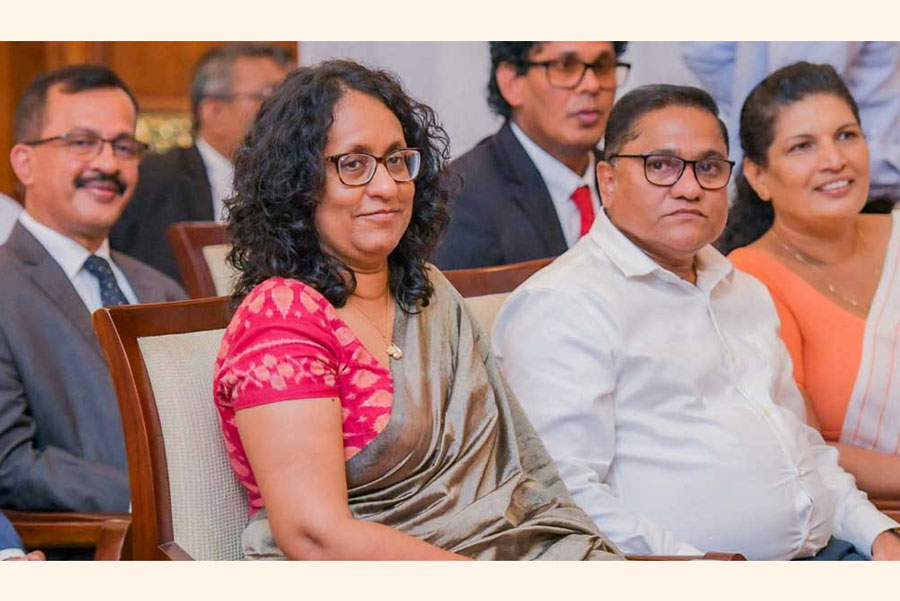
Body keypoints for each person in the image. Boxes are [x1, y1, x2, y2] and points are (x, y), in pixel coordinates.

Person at [213, 60, 621, 561]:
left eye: (396, 160)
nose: (386, 186)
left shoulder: (426, 293)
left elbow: (513, 488)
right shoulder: (281, 320)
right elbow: (314, 535)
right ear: (296, 184)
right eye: (353, 164)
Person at [492, 83, 900, 560]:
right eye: (660, 166)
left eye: (707, 168)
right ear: (608, 180)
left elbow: (803, 447)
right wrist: (696, 569)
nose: (689, 188)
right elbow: (560, 494)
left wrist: (877, 537)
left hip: (835, 548)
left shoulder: (741, 289)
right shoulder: (563, 304)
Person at [0, 65, 186, 513]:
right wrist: (154, 500)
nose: (107, 164)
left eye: (124, 146)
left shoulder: (163, 291)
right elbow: (9, 464)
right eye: (81, 143)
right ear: (24, 162)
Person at [723, 62, 900, 500]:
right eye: (803, 146)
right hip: (865, 525)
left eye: (846, 135)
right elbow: (801, 446)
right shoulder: (752, 278)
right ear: (759, 176)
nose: (834, 160)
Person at [432, 41, 628, 270]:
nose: (592, 85)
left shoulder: (632, 177)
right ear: (512, 82)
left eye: (603, 66)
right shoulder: (458, 196)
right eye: (566, 66)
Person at [110, 43, 293, 282]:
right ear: (213, 110)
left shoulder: (295, 181)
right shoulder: (152, 180)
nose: (285, 113)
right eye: (268, 96)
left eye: (289, 100)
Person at [682, 42, 900, 206]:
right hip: (841, 190)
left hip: (841, 186)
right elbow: (798, 98)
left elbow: (705, 52)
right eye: (804, 145)